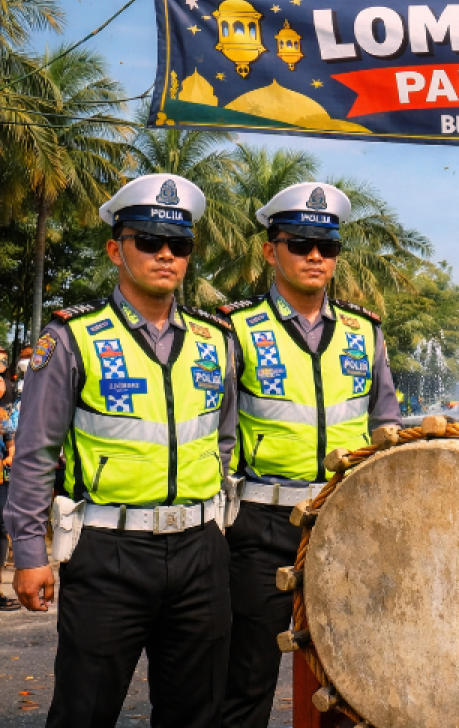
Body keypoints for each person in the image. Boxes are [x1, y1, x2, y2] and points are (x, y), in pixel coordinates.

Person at [2, 174, 238, 727]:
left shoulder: (215, 340)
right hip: (108, 552)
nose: (164, 255)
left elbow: (222, 438)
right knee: (85, 710)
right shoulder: (72, 338)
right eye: (148, 241)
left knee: (197, 713)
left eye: (178, 245)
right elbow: (36, 453)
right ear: (116, 248)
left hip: (201, 552)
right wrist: (32, 555)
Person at [219, 182, 402, 728]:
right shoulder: (236, 329)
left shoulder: (364, 330)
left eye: (327, 246)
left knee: (353, 677)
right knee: (245, 678)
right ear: (270, 249)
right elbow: (219, 434)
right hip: (261, 525)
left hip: (345, 520)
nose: (316, 256)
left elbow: (386, 423)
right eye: (300, 244)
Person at [0, 386, 19, 610]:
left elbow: (10, 437)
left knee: (1, 528)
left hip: (1, 479)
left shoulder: (5, 412)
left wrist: (11, 454)